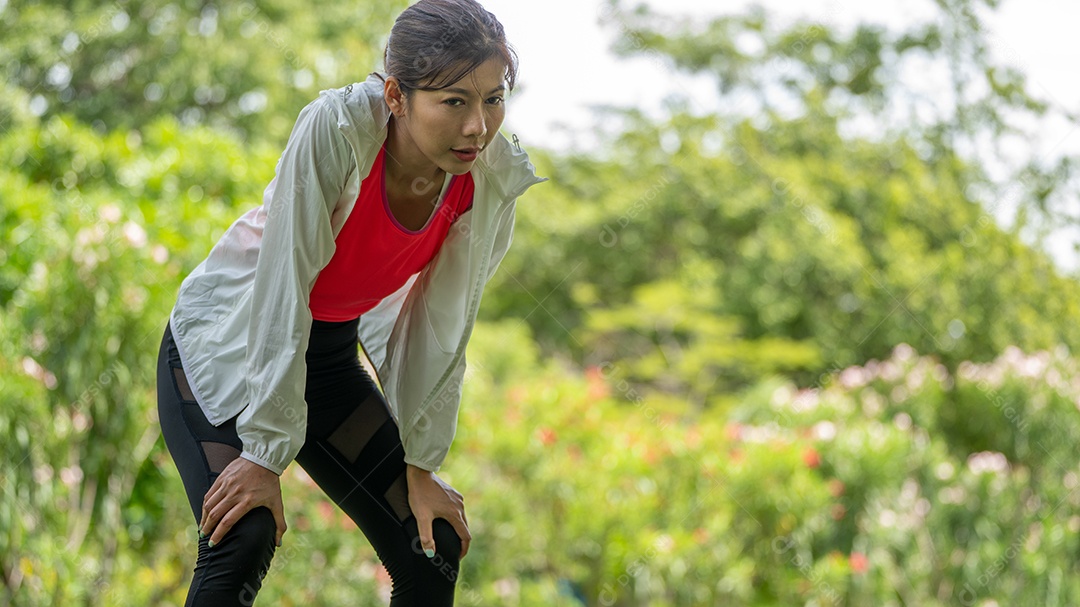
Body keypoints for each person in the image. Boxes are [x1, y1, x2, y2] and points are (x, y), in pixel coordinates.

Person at [154, 0, 546, 604]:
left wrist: (421, 462)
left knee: (431, 544)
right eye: (454, 102)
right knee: (244, 533)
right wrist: (263, 455)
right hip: (228, 337)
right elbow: (282, 289)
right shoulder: (335, 131)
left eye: (494, 98)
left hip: (327, 357)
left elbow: (441, 327)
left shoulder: (489, 179)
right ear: (395, 96)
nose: (479, 126)